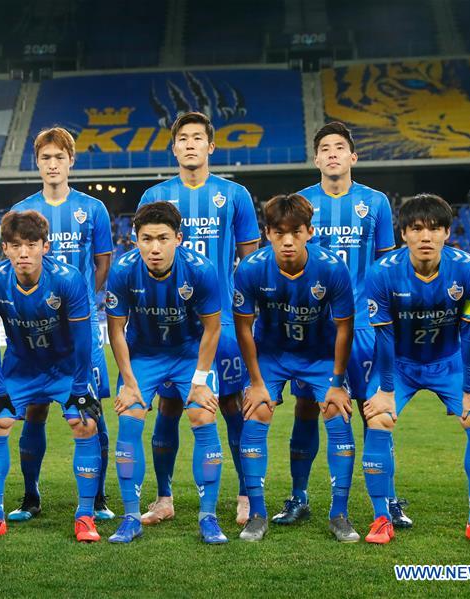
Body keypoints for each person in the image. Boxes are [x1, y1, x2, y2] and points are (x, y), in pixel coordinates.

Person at [276, 121, 406, 527]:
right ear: (316, 159)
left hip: (365, 325)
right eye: (325, 149)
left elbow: (387, 265)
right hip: (317, 327)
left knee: (374, 410)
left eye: (339, 147)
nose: (332, 153)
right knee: (306, 407)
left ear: (353, 156)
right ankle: (298, 496)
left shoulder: (376, 202)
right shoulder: (301, 203)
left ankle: (389, 499)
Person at [136, 111, 260, 526]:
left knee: (231, 404)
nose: (190, 144)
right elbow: (145, 258)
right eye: (183, 139)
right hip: (170, 324)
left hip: (221, 321)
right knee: (169, 404)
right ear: (174, 148)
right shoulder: (155, 195)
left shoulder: (235, 195)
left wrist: (246, 314)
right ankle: (164, 498)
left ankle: (245, 494)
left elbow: (249, 261)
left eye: (197, 138)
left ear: (211, 146)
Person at [362, 193, 470, 545]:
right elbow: (384, 338)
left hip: (449, 362)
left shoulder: (469, 269)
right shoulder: (382, 273)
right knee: (378, 419)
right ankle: (382, 519)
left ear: (447, 232)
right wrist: (386, 390)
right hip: (399, 365)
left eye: (435, 228)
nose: (425, 236)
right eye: (416, 228)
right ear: (403, 234)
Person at [233, 194, 358, 543]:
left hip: (318, 355)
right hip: (272, 355)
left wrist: (337, 382)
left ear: (309, 232)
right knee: (256, 410)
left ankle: (339, 514)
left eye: (296, 232)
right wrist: (256, 382)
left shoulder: (332, 268)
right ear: (267, 234)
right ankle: (257, 516)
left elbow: (344, 328)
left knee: (335, 411)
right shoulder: (251, 268)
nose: (287, 241)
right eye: (279, 233)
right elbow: (244, 327)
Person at [0, 210, 103, 542]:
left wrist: (80, 387)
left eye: (31, 245)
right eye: (15, 245)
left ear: (46, 246)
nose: (24, 253)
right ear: (4, 248)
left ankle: (85, 515)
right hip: (21, 368)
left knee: (84, 422)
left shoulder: (68, 279)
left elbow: (84, 339)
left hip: (64, 368)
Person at [106, 201, 228, 545]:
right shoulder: (123, 270)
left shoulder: (200, 270)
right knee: (130, 415)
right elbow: (116, 330)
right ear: (135, 240)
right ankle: (131, 518)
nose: (155, 248)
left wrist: (200, 381)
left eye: (162, 238)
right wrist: (129, 383)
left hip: (189, 353)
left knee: (203, 415)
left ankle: (208, 517)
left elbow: (212, 329)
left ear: (179, 238)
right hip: (145, 354)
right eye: (146, 239)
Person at [8, 127, 114, 521]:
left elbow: (102, 263)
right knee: (34, 410)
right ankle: (30, 496)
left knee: (91, 411)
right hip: (35, 332)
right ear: (37, 162)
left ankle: (98, 498)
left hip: (80, 330)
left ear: (71, 161)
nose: (53, 165)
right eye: (46, 158)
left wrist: (78, 303)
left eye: (59, 157)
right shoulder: (22, 211)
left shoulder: (94, 209)